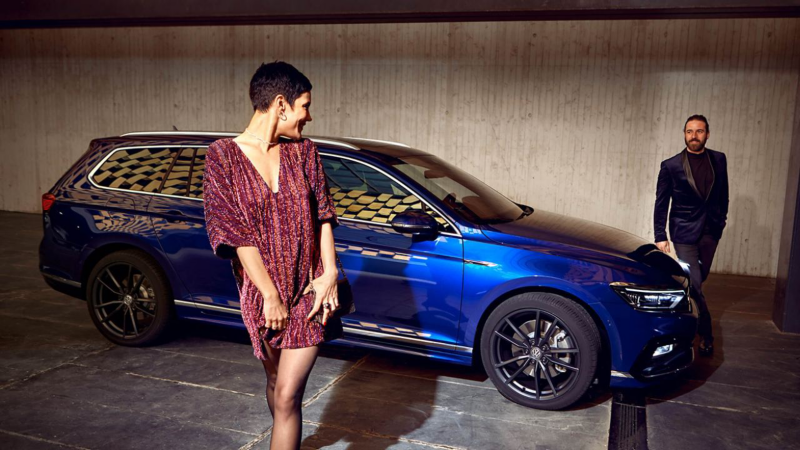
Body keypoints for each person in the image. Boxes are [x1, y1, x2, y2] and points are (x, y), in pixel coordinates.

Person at [203, 61, 342, 449]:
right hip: (261, 295)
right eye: (304, 106)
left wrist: (329, 272)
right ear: (280, 104)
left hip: (310, 291)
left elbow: (323, 215)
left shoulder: (305, 153)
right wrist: (269, 295)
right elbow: (233, 232)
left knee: (286, 396)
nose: (308, 116)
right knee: (274, 383)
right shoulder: (222, 157)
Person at [654, 114, 729, 356]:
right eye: (689, 131)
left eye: (699, 131)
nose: (693, 135)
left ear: (707, 134)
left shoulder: (719, 160)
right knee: (694, 285)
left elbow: (723, 194)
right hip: (683, 232)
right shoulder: (671, 165)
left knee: (700, 278)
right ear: (684, 134)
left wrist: (721, 221)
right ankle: (705, 334)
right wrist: (660, 234)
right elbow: (661, 202)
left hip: (710, 231)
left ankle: (689, 316)